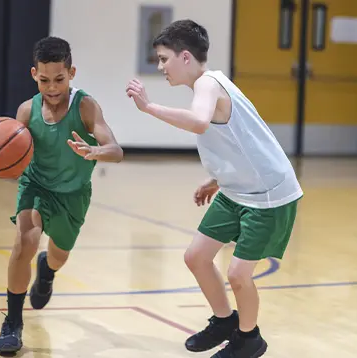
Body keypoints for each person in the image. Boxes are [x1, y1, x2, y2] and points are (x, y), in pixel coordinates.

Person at [126, 19, 303, 358]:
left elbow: (199, 122)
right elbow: (241, 140)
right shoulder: (210, 84)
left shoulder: (208, 84)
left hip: (268, 195)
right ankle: (224, 321)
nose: (161, 66)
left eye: (164, 58)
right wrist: (218, 177)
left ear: (186, 57)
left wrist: (148, 108)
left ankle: (249, 340)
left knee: (238, 274)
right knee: (196, 257)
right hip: (238, 188)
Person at [0, 36, 124, 353]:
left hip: (72, 194)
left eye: (59, 79)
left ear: (72, 73)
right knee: (24, 242)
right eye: (44, 80)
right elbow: (7, 145)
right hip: (36, 186)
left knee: (59, 255)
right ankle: (13, 322)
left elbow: (116, 150)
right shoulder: (27, 111)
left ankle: (48, 270)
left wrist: (95, 150)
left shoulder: (85, 107)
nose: (52, 87)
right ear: (33, 75)